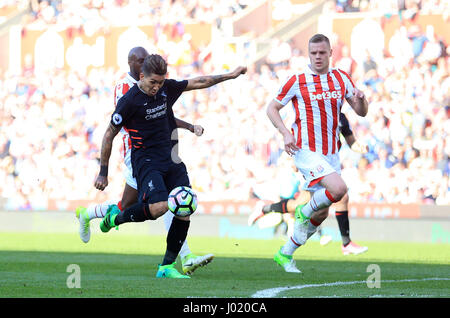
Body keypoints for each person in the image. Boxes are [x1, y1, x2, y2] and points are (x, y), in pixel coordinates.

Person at [96, 53, 247, 278]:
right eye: (152, 82)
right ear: (141, 76)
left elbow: (198, 82)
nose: (157, 87)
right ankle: (115, 218)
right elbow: (109, 135)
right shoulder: (129, 102)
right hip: (146, 161)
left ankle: (166, 267)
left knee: (185, 206)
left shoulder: (167, 88)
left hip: (172, 158)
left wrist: (230, 76)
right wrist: (103, 172)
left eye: (161, 81)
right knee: (159, 208)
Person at [75, 47, 213, 275]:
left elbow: (162, 113)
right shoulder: (126, 88)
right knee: (164, 202)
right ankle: (184, 256)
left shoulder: (155, 83)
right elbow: (131, 121)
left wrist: (188, 126)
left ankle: (88, 214)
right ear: (131, 64)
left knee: (138, 203)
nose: (143, 63)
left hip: (158, 150)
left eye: (145, 59)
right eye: (139, 61)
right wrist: (103, 170)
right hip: (136, 151)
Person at [266, 34, 368, 273]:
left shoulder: (341, 79)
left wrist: (363, 100)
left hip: (331, 153)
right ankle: (303, 209)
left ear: (331, 53)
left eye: (323, 53)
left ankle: (285, 253)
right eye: (314, 53)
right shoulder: (297, 80)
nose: (318, 57)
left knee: (321, 214)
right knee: (340, 190)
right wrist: (285, 133)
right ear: (308, 54)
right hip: (305, 150)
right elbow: (272, 108)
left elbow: (361, 111)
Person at [249, 113, 369, 255]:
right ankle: (346, 243)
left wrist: (360, 147)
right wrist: (295, 159)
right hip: (315, 165)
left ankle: (265, 209)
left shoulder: (341, 117)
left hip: (329, 165)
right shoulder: (314, 114)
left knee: (299, 204)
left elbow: (351, 141)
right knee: (341, 196)